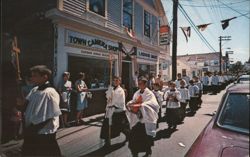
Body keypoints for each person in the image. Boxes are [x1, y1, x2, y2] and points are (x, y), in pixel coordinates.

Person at [17, 65, 61, 156]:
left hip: (42, 133)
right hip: (32, 130)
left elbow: (49, 116)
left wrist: (32, 130)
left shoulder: (49, 92)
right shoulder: (34, 89)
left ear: (45, 77)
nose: (31, 78)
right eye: (31, 75)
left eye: (35, 76)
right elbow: (25, 104)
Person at [126, 77, 159, 157]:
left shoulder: (149, 93)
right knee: (134, 137)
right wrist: (129, 103)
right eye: (138, 83)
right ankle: (135, 152)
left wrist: (142, 105)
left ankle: (148, 150)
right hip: (137, 118)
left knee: (146, 137)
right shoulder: (137, 93)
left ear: (145, 84)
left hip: (145, 119)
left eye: (140, 83)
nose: (139, 85)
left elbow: (154, 104)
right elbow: (134, 100)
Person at [100, 76, 130, 146]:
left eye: (117, 80)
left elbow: (116, 100)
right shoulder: (112, 88)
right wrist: (109, 91)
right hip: (110, 110)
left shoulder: (120, 90)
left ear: (119, 81)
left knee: (121, 127)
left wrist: (112, 102)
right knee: (106, 126)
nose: (115, 81)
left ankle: (128, 135)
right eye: (114, 80)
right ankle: (107, 141)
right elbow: (108, 98)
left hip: (118, 110)